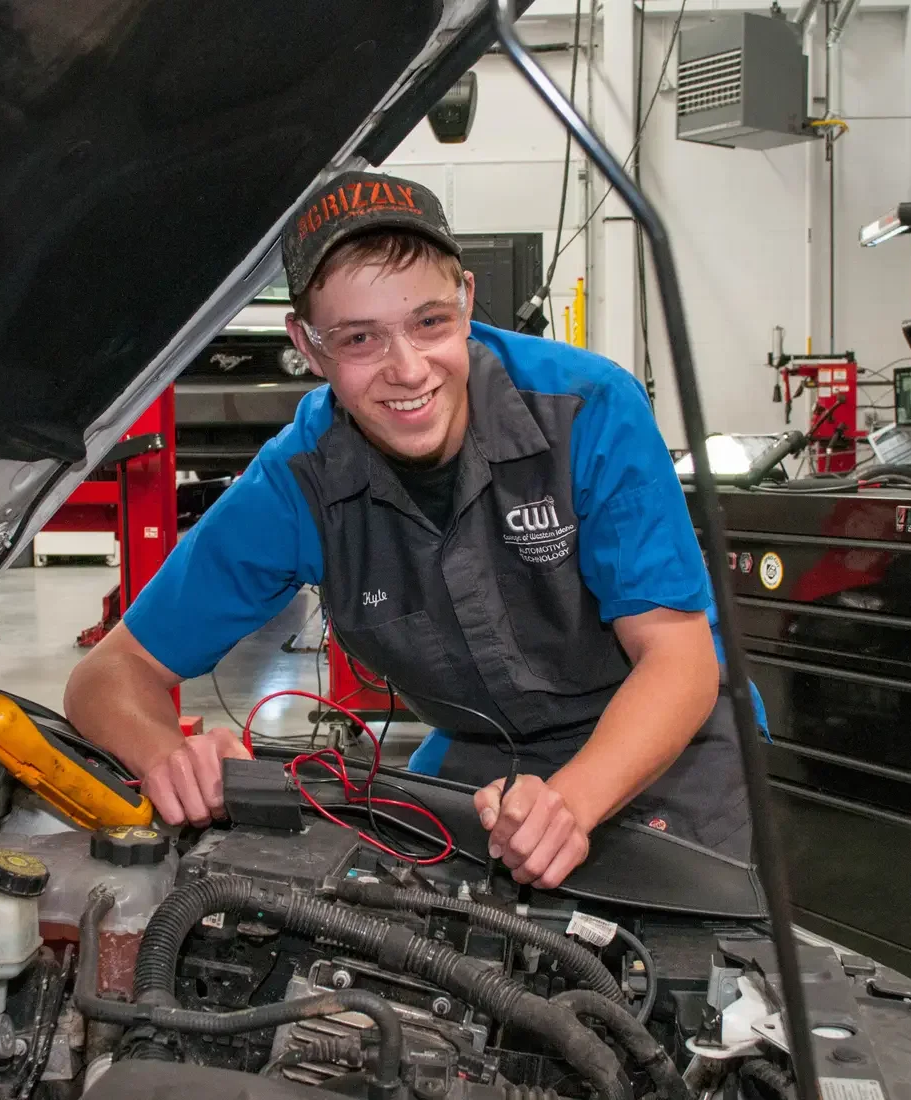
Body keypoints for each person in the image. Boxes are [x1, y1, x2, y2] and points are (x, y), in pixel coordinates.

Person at [65, 171, 762, 889]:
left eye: (430, 322)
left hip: (667, 753)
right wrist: (167, 758)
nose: (407, 369)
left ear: (465, 299)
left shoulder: (588, 410)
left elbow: (679, 660)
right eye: (359, 338)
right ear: (308, 345)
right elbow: (107, 675)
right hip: (486, 762)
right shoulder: (299, 483)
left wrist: (571, 804)